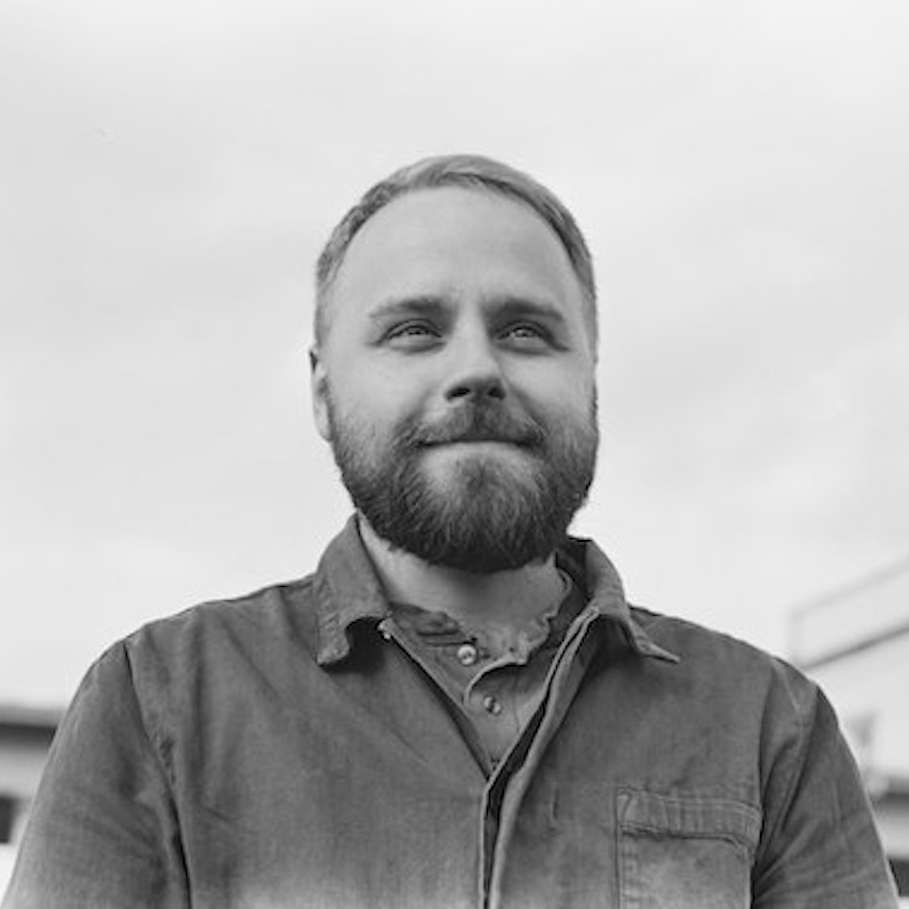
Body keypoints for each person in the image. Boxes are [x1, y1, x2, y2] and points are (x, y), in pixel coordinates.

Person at [3, 155, 899, 908]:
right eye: (414, 330)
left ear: (590, 383)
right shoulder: (155, 703)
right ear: (322, 391)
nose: (476, 368)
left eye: (525, 330)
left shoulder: (770, 728)